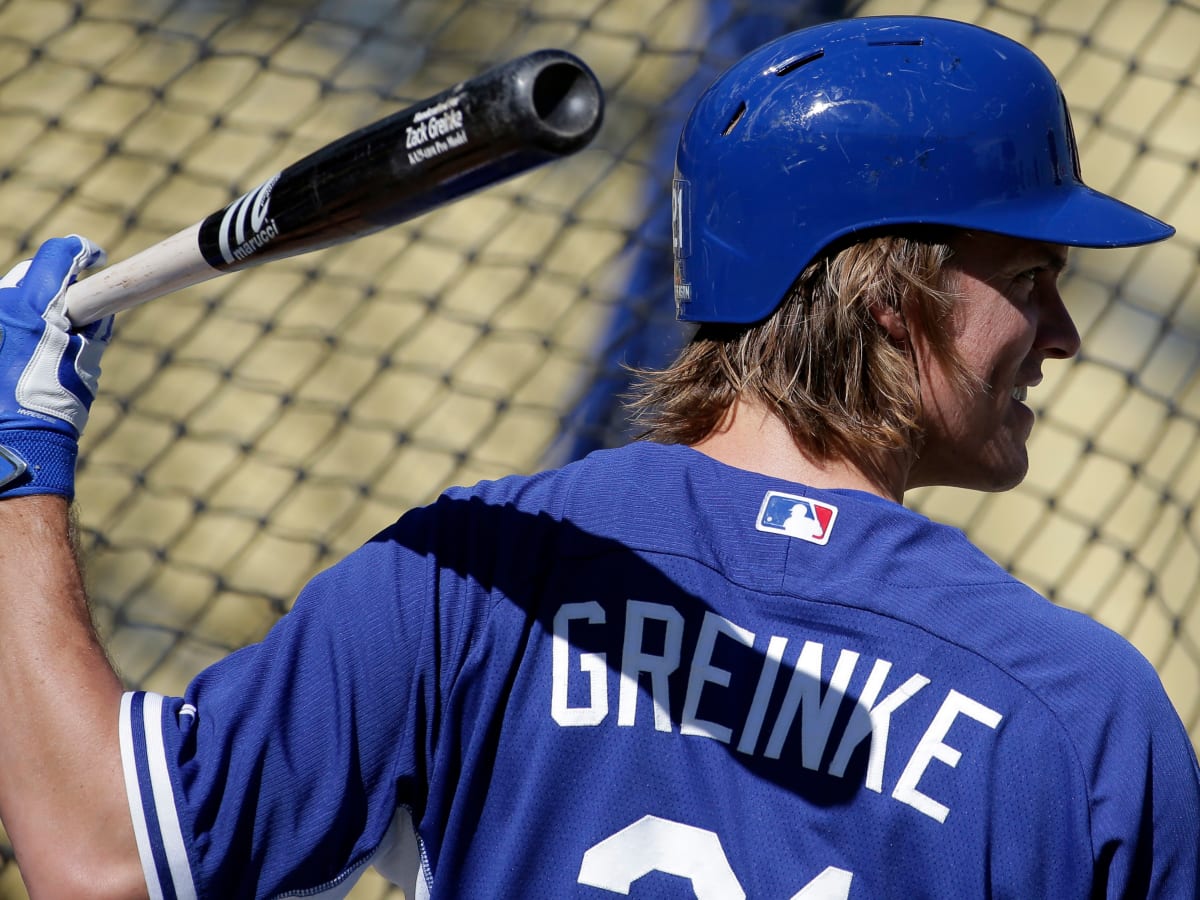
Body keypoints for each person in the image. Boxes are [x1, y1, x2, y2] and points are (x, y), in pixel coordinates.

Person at [0, 14, 1196, 900]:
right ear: (888, 302)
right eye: (1031, 282)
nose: (1064, 335)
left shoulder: (476, 571)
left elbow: (102, 854)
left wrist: (17, 467)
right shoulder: (1079, 713)